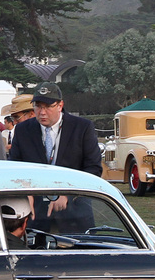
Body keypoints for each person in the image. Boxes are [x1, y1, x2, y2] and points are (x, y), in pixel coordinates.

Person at [6, 82, 101, 233]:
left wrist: (67, 194)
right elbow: (14, 168)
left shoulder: (82, 128)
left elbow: (93, 169)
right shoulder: (23, 130)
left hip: (75, 217)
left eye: (48, 106)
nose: (42, 112)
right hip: (35, 218)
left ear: (60, 105)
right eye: (38, 106)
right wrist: (27, 193)